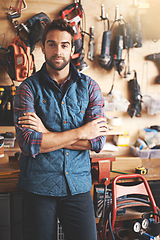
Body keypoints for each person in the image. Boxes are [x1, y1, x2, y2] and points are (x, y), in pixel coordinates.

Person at [14, 19, 108, 240]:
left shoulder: (91, 87)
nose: (58, 51)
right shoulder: (27, 89)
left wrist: (46, 133)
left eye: (64, 45)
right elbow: (28, 144)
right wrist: (81, 132)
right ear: (43, 47)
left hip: (78, 186)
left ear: (72, 48)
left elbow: (97, 143)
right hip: (38, 187)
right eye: (52, 44)